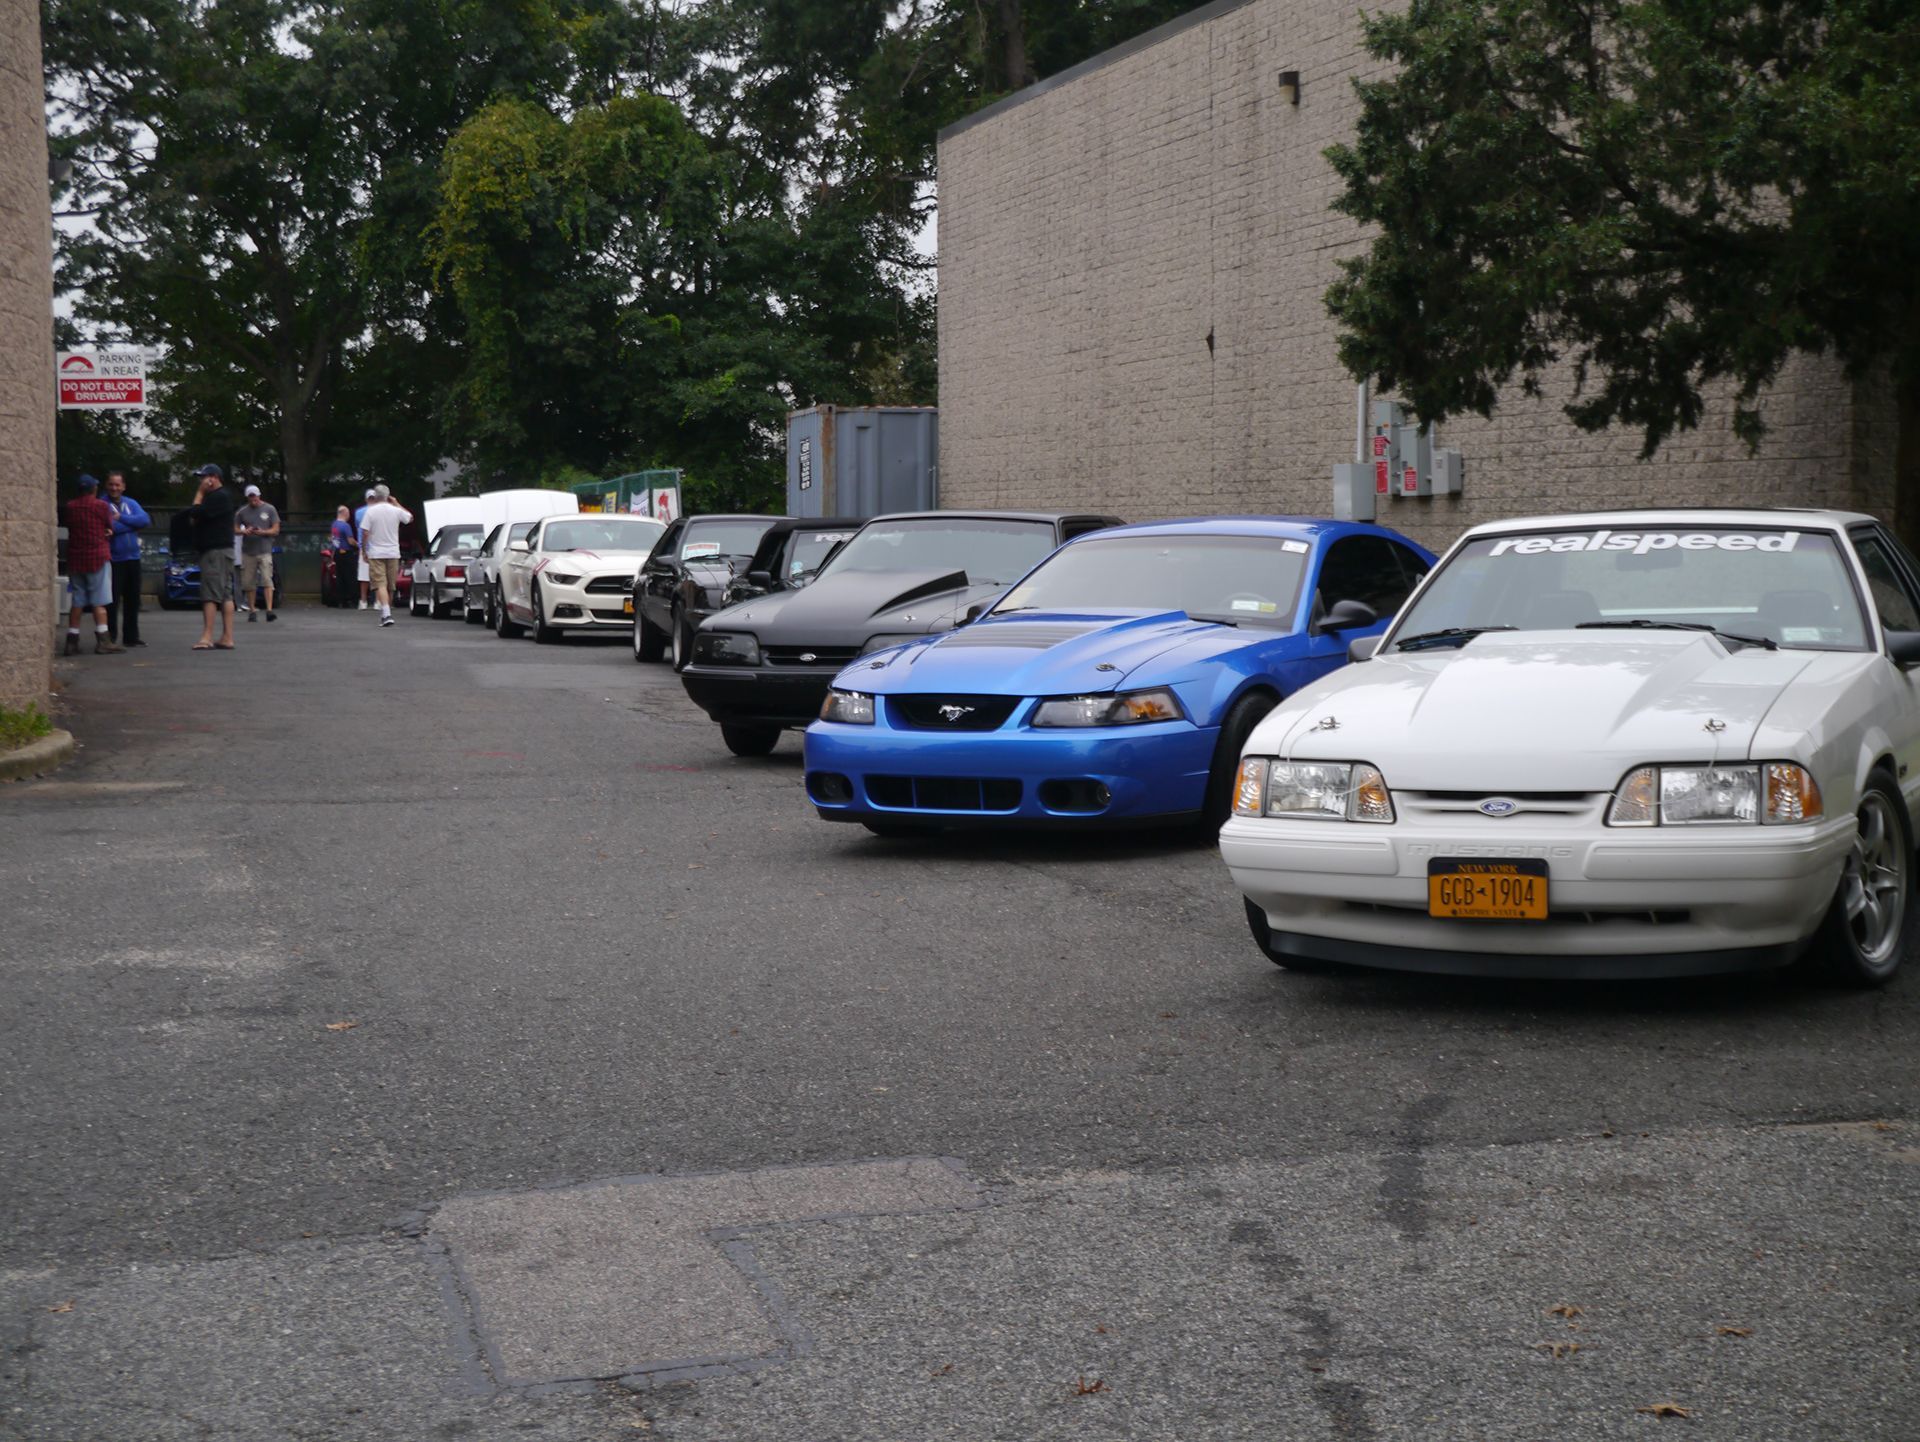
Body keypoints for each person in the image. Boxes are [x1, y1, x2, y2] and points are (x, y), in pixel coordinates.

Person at [60, 474, 122, 655]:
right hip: (97, 557)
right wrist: (107, 530)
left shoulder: (70, 507)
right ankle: (103, 640)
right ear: (94, 489)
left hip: (76, 558)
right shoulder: (101, 506)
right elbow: (109, 526)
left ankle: (72, 641)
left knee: (78, 600)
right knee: (99, 601)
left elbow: (70, 525)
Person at [182, 463, 238, 650]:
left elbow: (195, 513)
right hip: (223, 551)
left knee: (210, 595)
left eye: (204, 477)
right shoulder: (221, 497)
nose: (201, 481)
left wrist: (199, 493)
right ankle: (227, 637)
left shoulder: (217, 497)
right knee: (225, 594)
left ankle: (207, 637)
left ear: (213, 478)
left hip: (215, 552)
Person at [104, 470, 150, 647]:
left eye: (117, 484)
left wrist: (122, 518)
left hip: (133, 558)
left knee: (133, 599)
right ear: (106, 485)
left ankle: (131, 637)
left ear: (123, 486)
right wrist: (132, 525)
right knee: (112, 600)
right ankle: (111, 636)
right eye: (111, 484)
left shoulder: (131, 503)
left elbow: (145, 520)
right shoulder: (102, 504)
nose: (114, 488)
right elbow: (110, 527)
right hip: (114, 559)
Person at [358, 485, 413, 627]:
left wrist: (364, 550)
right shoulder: (395, 510)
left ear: (376, 496)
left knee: (380, 584)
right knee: (390, 585)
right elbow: (410, 518)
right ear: (388, 496)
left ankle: (386, 614)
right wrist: (397, 503)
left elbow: (365, 532)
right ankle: (386, 612)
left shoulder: (371, 511)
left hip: (376, 552)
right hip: (393, 552)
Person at [234, 483, 281, 621]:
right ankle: (252, 610)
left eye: (255, 496)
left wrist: (263, 532)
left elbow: (276, 529)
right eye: (250, 496)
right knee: (249, 583)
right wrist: (244, 531)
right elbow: (235, 529)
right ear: (247, 497)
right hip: (248, 552)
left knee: (267, 579)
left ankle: (269, 610)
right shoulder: (242, 512)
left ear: (259, 495)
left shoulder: (270, 509)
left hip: (265, 550)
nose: (253, 498)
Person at [354, 488, 375, 609]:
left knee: (364, 577)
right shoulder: (379, 511)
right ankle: (378, 601)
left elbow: (359, 527)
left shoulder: (359, 512)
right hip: (376, 546)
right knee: (378, 575)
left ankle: (363, 601)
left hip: (364, 546)